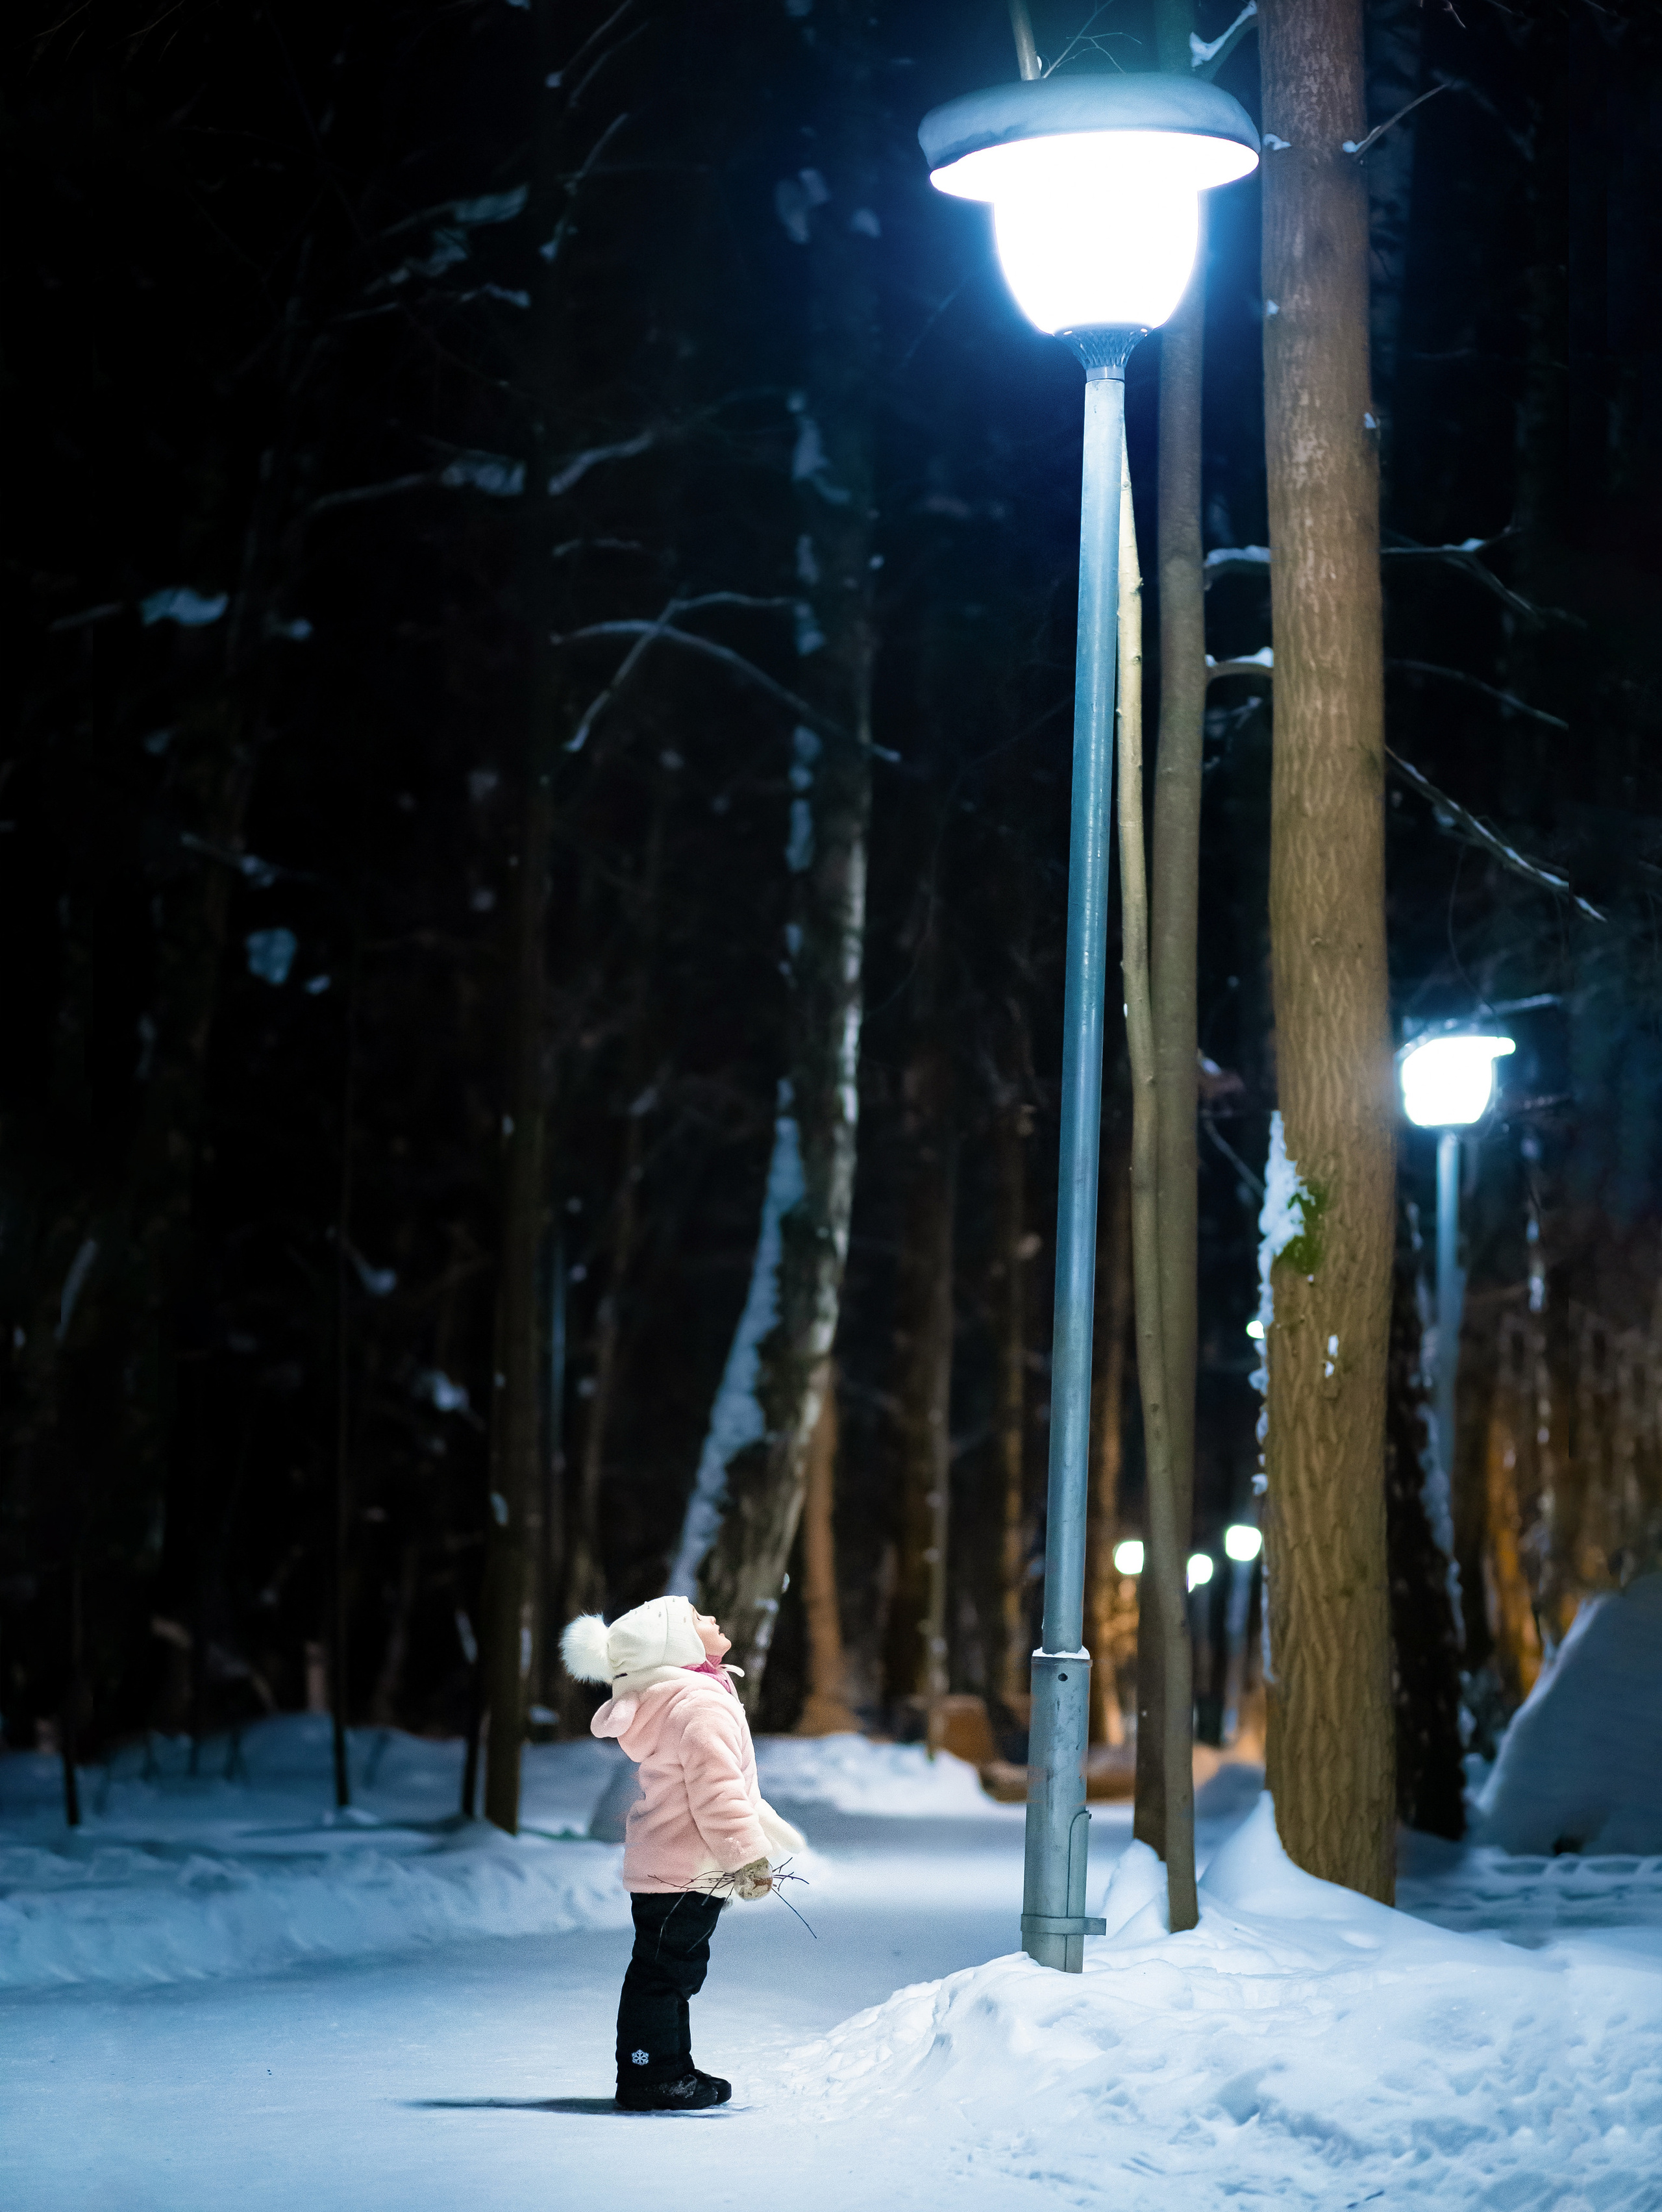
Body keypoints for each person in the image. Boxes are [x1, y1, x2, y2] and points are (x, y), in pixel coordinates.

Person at [561, 1595, 804, 2112]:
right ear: (675, 1643)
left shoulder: (687, 1694)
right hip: (685, 1864)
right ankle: (649, 2074)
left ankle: (672, 2065)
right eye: (697, 1618)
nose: (712, 1617)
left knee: (674, 1969)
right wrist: (747, 1858)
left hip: (674, 1862)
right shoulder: (697, 1704)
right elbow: (718, 1792)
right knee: (664, 1972)